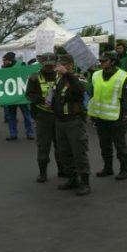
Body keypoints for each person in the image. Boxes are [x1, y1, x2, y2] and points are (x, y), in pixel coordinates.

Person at [88, 52, 127, 181]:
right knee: (104, 145)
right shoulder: (96, 75)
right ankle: (108, 168)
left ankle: (125, 170)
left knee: (120, 145)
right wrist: (92, 114)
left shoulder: (124, 76)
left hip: (117, 117)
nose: (101, 63)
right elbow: (92, 93)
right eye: (100, 61)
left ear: (112, 62)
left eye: (104, 61)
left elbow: (126, 97)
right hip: (100, 116)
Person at [52, 55, 90, 195]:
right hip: (60, 121)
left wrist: (67, 74)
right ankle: (73, 179)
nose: (60, 67)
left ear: (71, 65)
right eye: (59, 64)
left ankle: (85, 182)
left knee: (79, 152)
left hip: (74, 121)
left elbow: (80, 90)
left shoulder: (78, 77)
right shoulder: (59, 79)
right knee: (64, 152)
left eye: (64, 64)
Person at [26, 53, 61, 182]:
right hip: (43, 115)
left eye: (51, 65)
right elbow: (29, 94)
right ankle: (43, 172)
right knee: (43, 145)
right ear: (42, 64)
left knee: (61, 145)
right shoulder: (34, 77)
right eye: (46, 65)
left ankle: (62, 170)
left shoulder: (61, 75)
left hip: (59, 115)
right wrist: (41, 99)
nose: (49, 67)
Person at [1, 52, 34, 141]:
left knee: (26, 115)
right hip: (11, 95)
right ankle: (13, 134)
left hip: (21, 95)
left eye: (5, 60)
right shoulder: (3, 68)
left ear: (10, 60)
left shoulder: (22, 65)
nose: (3, 62)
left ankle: (30, 133)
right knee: (11, 116)